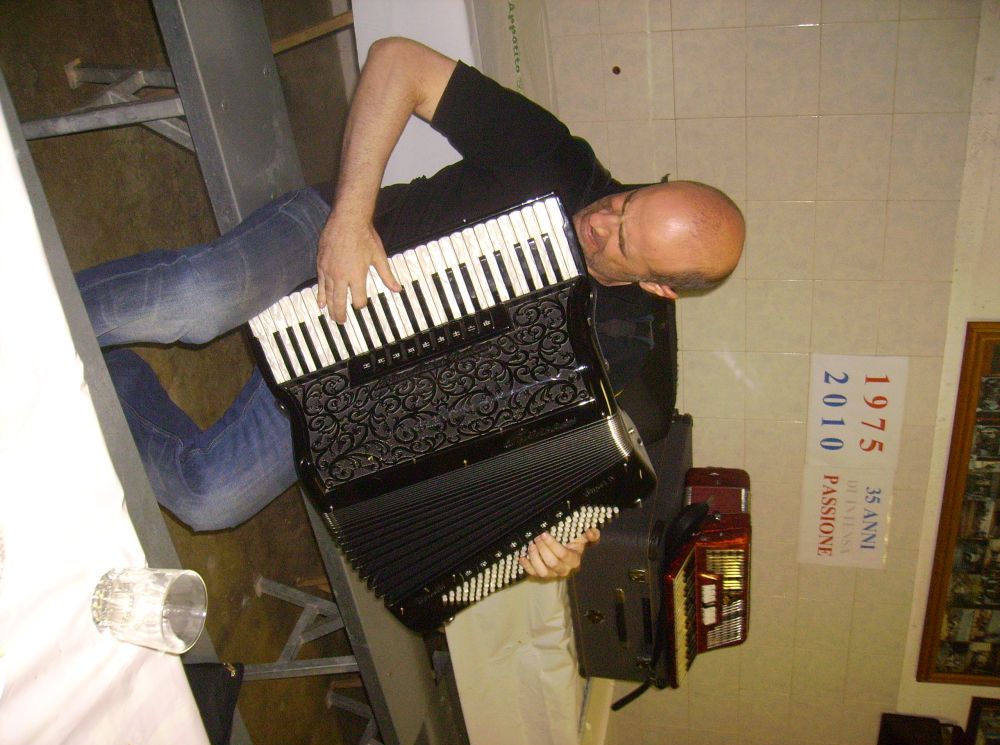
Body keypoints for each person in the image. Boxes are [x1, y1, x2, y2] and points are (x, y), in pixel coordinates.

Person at [77, 37, 744, 578]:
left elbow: (558, 485)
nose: (599, 219)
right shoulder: (557, 162)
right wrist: (350, 219)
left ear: (659, 288)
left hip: (344, 382)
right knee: (197, 302)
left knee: (212, 496)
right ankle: (43, 326)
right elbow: (398, 62)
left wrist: (557, 544)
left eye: (622, 242)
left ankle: (96, 375)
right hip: (333, 241)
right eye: (628, 201)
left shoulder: (625, 360)